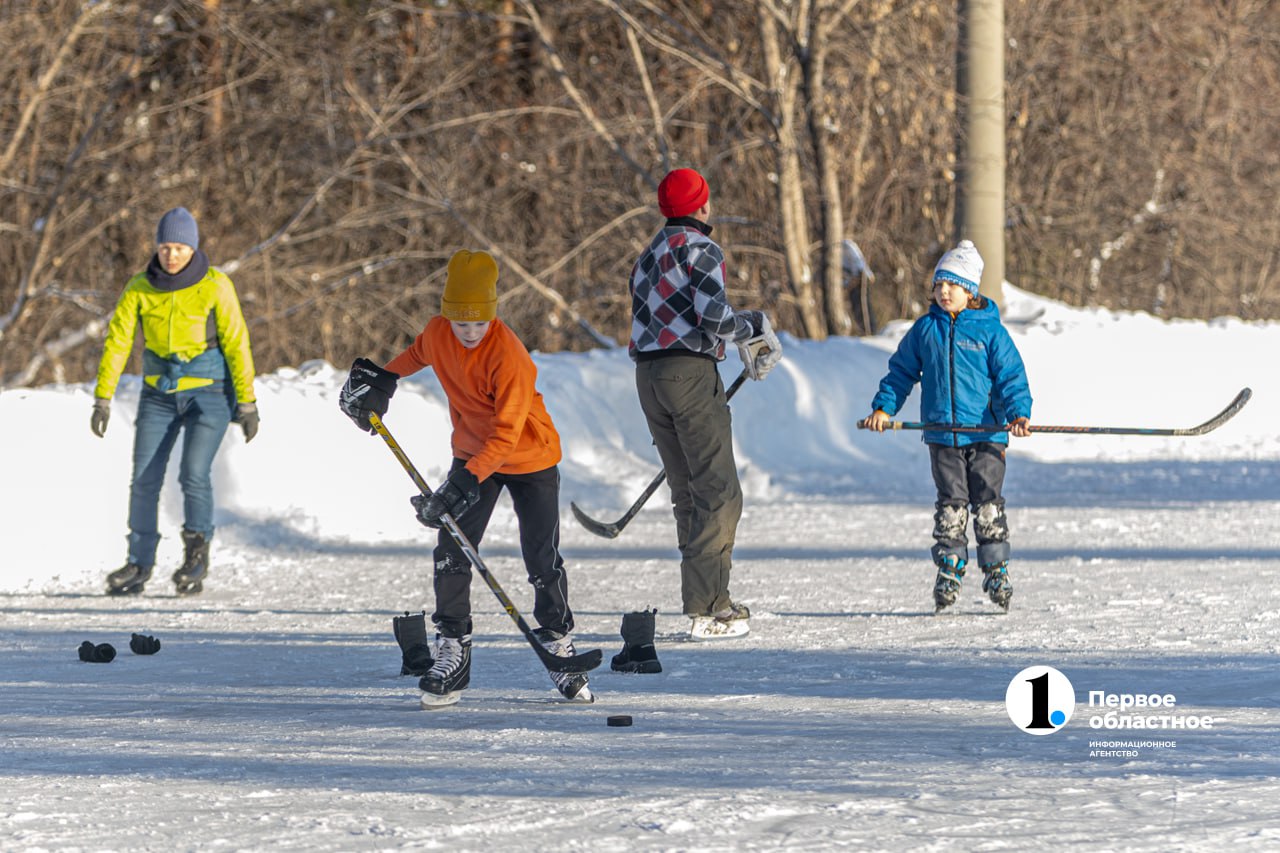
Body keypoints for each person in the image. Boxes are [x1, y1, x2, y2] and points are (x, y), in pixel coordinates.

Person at [338, 249, 591, 706]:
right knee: (451, 547)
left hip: (528, 456)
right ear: (447, 316)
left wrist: (459, 485)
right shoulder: (439, 334)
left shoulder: (508, 355)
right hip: (473, 452)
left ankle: (556, 639)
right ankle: (453, 648)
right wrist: (380, 383)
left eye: (478, 323)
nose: (469, 332)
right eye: (461, 323)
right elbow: (416, 355)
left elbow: (508, 433)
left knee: (540, 554)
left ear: (492, 315)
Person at [628, 167, 782, 641]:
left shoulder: (648, 254)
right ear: (704, 206)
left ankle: (702, 598)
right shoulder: (702, 249)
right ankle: (709, 608)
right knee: (719, 491)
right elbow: (713, 317)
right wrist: (753, 325)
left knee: (688, 490)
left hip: (648, 375)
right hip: (689, 374)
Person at [93, 207, 259, 596]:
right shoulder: (139, 287)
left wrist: (247, 403)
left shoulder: (216, 285)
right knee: (144, 479)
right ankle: (138, 563)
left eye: (180, 247)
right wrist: (103, 397)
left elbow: (237, 344)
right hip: (158, 395)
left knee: (193, 474)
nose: (171, 255)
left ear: (193, 247)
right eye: (165, 247)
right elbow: (117, 341)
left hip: (209, 394)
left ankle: (195, 559)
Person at [862, 240, 1032, 612]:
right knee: (952, 504)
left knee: (987, 503)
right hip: (942, 435)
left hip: (985, 434)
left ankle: (996, 568)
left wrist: (1019, 413)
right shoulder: (925, 330)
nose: (943, 292)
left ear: (970, 291)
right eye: (938, 286)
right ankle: (950, 566)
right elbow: (901, 372)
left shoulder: (990, 332)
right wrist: (883, 408)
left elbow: (1011, 376)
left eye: (951, 286)